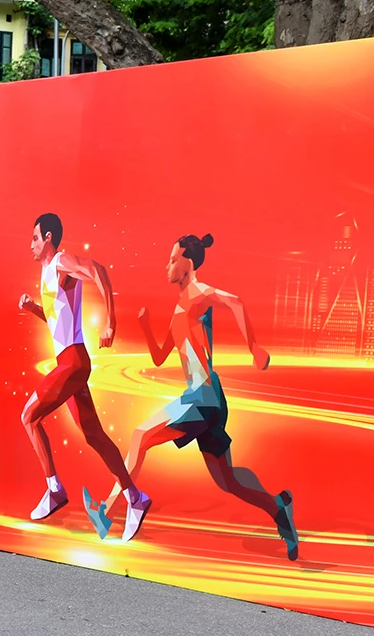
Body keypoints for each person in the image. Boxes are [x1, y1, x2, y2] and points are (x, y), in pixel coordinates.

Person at [109, 233, 298, 558]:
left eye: (172, 259)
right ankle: (279, 507)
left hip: (203, 396)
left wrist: (253, 347)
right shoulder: (178, 309)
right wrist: (144, 327)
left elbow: (235, 302)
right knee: (228, 481)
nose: (167, 265)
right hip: (205, 400)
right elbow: (159, 357)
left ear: (188, 263)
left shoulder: (199, 294)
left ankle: (112, 509)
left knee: (140, 436)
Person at [18, 213, 150, 540]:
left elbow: (98, 270)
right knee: (95, 436)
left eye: (34, 238)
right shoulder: (48, 273)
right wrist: (33, 308)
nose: (30, 245)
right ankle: (136, 497)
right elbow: (56, 323)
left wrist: (110, 323)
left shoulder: (61, 261)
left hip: (73, 362)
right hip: (70, 361)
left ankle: (54, 489)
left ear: (47, 237)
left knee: (29, 417)